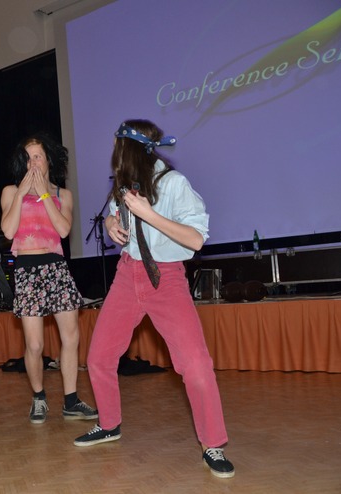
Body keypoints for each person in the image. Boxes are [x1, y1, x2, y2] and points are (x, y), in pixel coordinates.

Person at [73, 119, 234, 479]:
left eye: (116, 146)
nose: (112, 154)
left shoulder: (174, 184)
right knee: (98, 357)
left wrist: (149, 214)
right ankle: (109, 424)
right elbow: (115, 216)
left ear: (127, 149)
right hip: (127, 275)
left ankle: (213, 444)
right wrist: (111, 224)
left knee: (196, 365)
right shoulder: (125, 185)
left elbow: (196, 239)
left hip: (166, 278)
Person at [0, 133, 98, 425]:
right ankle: (39, 397)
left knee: (71, 337)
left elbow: (64, 230)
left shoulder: (62, 195)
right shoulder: (10, 192)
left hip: (56, 267)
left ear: (48, 160)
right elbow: (8, 231)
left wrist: (44, 194)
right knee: (34, 345)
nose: (33, 162)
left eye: (38, 156)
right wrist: (22, 194)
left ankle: (71, 401)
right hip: (27, 269)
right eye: (28, 157)